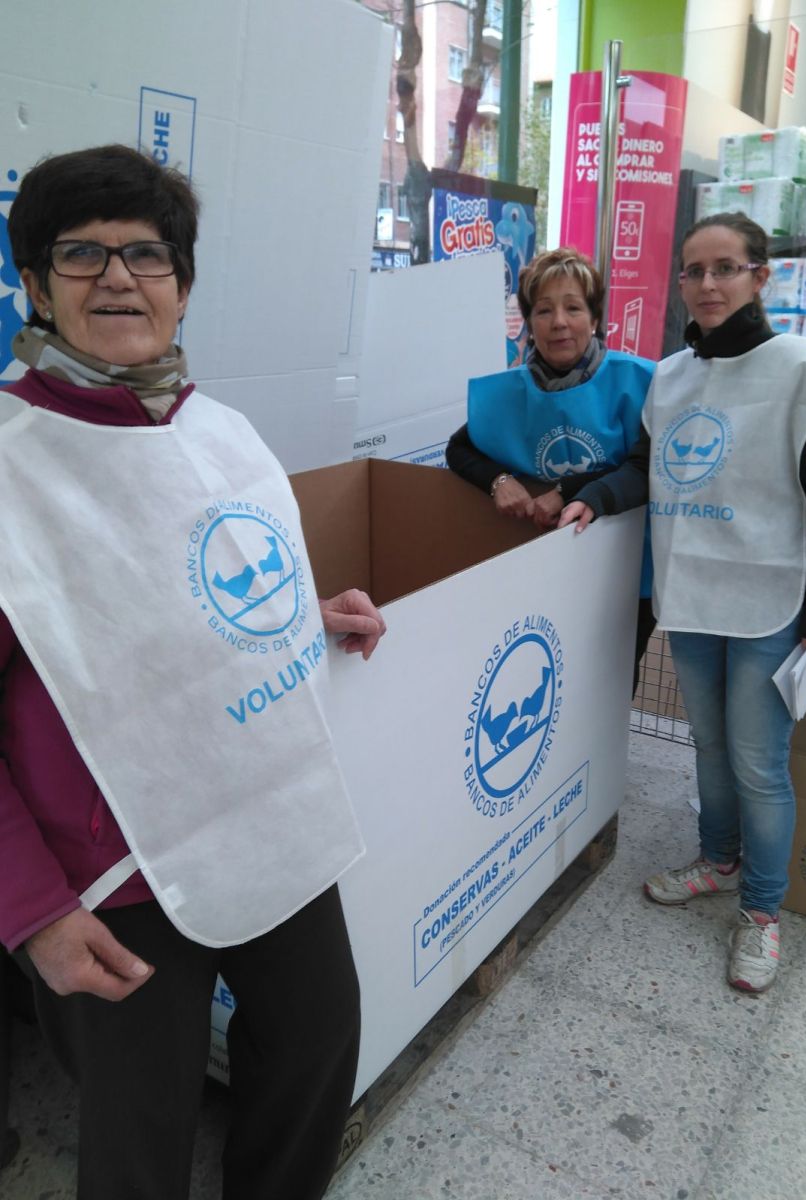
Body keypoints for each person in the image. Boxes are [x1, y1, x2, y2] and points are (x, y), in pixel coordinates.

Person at [0, 144, 387, 1200]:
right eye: (81, 254)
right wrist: (32, 910)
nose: (118, 277)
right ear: (34, 284)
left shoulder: (219, 429)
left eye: (147, 254)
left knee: (314, 1054)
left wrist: (304, 615)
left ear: (182, 285)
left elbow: (174, 590)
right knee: (140, 1139)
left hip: (272, 818)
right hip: (116, 877)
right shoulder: (13, 461)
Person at [559, 213, 806, 994]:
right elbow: (647, 467)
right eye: (692, 270)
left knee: (758, 763)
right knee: (707, 746)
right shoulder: (671, 377)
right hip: (693, 593)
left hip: (772, 597)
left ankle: (761, 911)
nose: (706, 284)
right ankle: (717, 859)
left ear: (759, 276)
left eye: (724, 268)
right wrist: (594, 498)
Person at [446, 246, 656, 690]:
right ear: (529, 322)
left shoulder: (640, 381)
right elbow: (459, 449)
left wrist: (567, 490)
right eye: (544, 310)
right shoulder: (508, 393)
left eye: (573, 308)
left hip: (623, 569)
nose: (559, 322)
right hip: (542, 569)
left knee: (610, 683)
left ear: (594, 318)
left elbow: (647, 465)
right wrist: (498, 480)